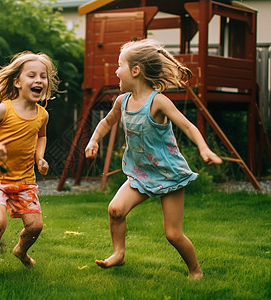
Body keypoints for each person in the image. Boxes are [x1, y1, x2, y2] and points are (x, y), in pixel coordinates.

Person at [85, 39, 222, 280]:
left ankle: (195, 271)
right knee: (116, 210)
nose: (116, 71)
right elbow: (107, 122)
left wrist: (204, 149)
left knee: (173, 234)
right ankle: (119, 253)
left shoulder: (158, 102)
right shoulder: (122, 101)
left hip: (168, 173)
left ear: (135, 70)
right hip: (141, 173)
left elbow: (187, 126)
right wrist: (93, 140)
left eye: (120, 66)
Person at [0, 51, 59, 280]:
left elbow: (42, 137)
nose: (39, 80)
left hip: (24, 181)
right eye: (32, 75)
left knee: (35, 226)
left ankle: (20, 250)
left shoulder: (42, 115)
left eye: (43, 76)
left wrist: (40, 158)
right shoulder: (3, 109)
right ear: (18, 82)